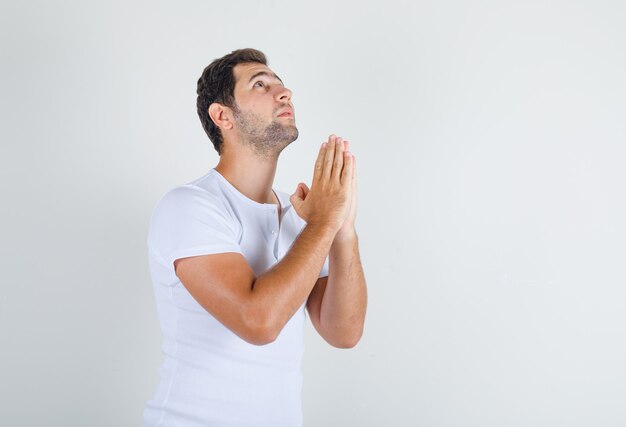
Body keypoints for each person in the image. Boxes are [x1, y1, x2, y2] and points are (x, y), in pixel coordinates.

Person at [143, 48, 367, 427]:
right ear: (222, 116)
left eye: (280, 84)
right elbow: (259, 322)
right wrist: (322, 223)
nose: (284, 93)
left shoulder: (303, 216)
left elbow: (343, 332)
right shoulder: (189, 206)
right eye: (260, 84)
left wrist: (343, 229)